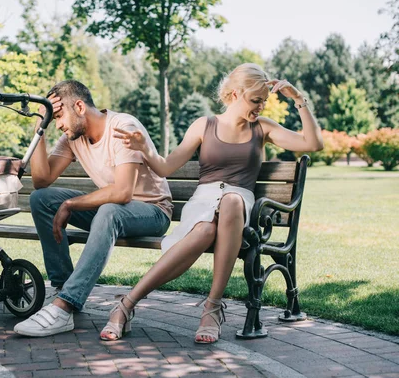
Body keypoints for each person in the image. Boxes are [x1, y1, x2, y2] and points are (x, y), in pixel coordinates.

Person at [101, 63, 324, 343]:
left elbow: (313, 144)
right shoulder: (204, 126)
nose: (261, 108)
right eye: (256, 101)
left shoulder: (263, 128)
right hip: (203, 203)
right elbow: (166, 167)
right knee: (205, 230)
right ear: (234, 94)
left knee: (230, 201)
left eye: (264, 102)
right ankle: (127, 304)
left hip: (239, 202)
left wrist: (298, 99)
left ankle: (212, 306)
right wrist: (144, 148)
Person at [13, 80, 173, 337]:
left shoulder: (122, 127)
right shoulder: (73, 137)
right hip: (113, 211)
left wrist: (70, 204)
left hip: (152, 211)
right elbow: (42, 181)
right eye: (52, 120)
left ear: (78, 106)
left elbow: (123, 192)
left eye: (58, 116)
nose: (59, 125)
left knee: (109, 210)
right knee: (40, 199)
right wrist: (38, 130)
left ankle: (65, 306)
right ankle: (63, 287)